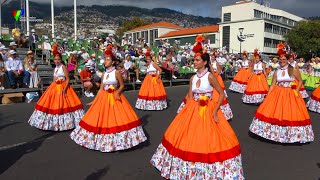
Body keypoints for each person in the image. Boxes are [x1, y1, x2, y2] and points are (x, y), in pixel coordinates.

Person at [150, 53, 243, 179]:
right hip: (193, 109)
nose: (194, 62)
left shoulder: (210, 76)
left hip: (208, 110)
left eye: (197, 60)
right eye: (194, 60)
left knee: (207, 139)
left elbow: (221, 94)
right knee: (186, 138)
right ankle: (185, 169)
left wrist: (215, 111)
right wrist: (184, 113)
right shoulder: (192, 78)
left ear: (204, 62)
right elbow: (189, 96)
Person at [70, 54, 147, 152]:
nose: (105, 62)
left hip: (114, 97)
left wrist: (117, 93)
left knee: (117, 119)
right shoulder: (104, 74)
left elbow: (122, 85)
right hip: (104, 97)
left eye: (108, 60)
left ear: (113, 62)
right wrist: (94, 101)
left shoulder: (116, 72)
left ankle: (119, 142)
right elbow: (101, 89)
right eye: (105, 60)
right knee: (101, 119)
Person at [249, 54, 314, 143]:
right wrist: (267, 95)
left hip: (290, 94)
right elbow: (272, 85)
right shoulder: (277, 71)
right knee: (274, 113)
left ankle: (291, 135)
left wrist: (296, 91)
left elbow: (300, 81)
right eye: (280, 59)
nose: (282, 61)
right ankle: (274, 134)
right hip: (277, 93)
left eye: (284, 59)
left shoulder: (293, 69)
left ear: (287, 60)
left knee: (290, 114)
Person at [28, 54, 85, 131]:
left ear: (61, 60)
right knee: (51, 103)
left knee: (65, 103)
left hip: (63, 86)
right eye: (55, 59)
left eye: (58, 59)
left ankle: (68, 123)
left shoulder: (63, 67)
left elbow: (68, 79)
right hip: (55, 87)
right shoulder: (55, 68)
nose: (57, 61)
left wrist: (64, 89)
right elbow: (54, 79)